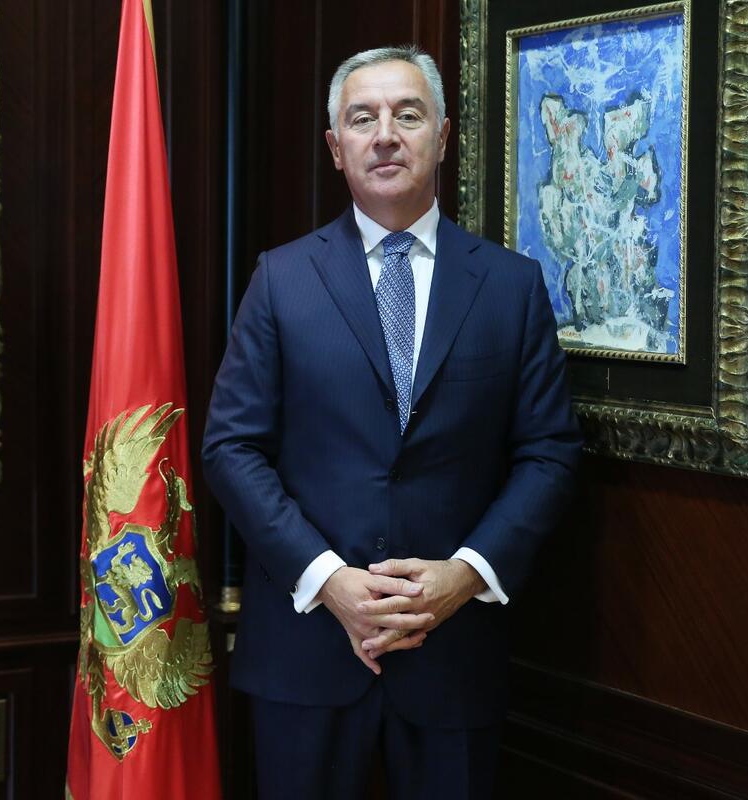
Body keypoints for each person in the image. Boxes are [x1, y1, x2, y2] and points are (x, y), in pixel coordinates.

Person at [201, 46, 582, 799]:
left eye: (407, 115)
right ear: (334, 147)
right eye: (361, 118)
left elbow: (550, 453)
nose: (385, 135)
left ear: (442, 137)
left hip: (455, 652)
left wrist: (464, 575)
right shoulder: (281, 278)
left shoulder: (511, 285)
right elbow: (231, 448)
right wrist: (330, 580)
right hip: (308, 650)